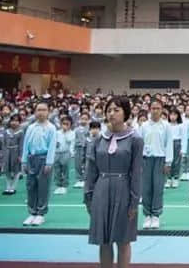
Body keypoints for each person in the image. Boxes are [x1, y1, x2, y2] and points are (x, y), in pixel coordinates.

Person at [84, 96, 144, 268]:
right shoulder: (98, 138)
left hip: (124, 189)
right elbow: (91, 169)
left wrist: (134, 201)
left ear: (125, 112)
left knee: (123, 240)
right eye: (109, 110)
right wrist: (88, 195)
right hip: (101, 190)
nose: (112, 113)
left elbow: (136, 172)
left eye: (116, 110)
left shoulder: (135, 139)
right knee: (104, 240)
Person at [21, 101, 57, 226]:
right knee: (31, 186)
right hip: (31, 158)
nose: (40, 112)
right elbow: (26, 145)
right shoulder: (30, 127)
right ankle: (32, 212)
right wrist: (24, 161)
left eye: (43, 110)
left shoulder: (51, 128)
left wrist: (49, 162)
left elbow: (52, 146)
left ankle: (41, 213)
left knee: (43, 186)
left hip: (44, 159)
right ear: (35, 112)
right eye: (38, 110)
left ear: (48, 112)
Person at [139, 99, 173, 229]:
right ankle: (147, 215)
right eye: (153, 108)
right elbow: (139, 144)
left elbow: (169, 144)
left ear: (162, 109)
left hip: (160, 159)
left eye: (158, 108)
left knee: (158, 188)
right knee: (146, 188)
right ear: (149, 110)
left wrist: (168, 162)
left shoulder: (166, 126)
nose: (155, 111)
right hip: (146, 159)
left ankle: (156, 215)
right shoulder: (144, 126)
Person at [53, 115, 75, 195]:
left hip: (66, 152)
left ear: (70, 125)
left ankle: (64, 186)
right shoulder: (57, 132)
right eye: (63, 124)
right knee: (57, 169)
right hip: (57, 152)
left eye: (67, 124)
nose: (65, 125)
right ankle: (58, 185)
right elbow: (55, 142)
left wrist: (71, 153)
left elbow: (70, 141)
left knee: (65, 169)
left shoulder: (72, 133)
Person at [2, 114, 23, 195]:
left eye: (17, 121)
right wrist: (3, 154)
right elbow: (3, 143)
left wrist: (20, 155)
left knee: (16, 170)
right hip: (7, 152)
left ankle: (13, 187)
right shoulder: (6, 131)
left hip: (16, 152)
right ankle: (8, 187)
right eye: (13, 120)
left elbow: (21, 144)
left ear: (19, 122)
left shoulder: (21, 132)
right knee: (7, 170)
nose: (14, 122)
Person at [166, 109, 183, 189]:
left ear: (178, 116)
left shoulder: (180, 126)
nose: (173, 117)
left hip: (177, 142)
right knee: (168, 161)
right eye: (171, 115)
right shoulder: (167, 125)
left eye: (175, 115)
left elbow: (183, 137)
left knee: (176, 161)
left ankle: (175, 178)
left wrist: (182, 148)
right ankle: (169, 178)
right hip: (168, 143)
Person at [74, 112, 90, 188]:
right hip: (78, 147)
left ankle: (85, 179)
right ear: (79, 120)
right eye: (82, 119)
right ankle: (79, 179)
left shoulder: (90, 129)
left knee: (86, 164)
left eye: (86, 119)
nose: (84, 120)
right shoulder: (76, 129)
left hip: (87, 148)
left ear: (89, 120)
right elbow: (74, 139)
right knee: (78, 163)